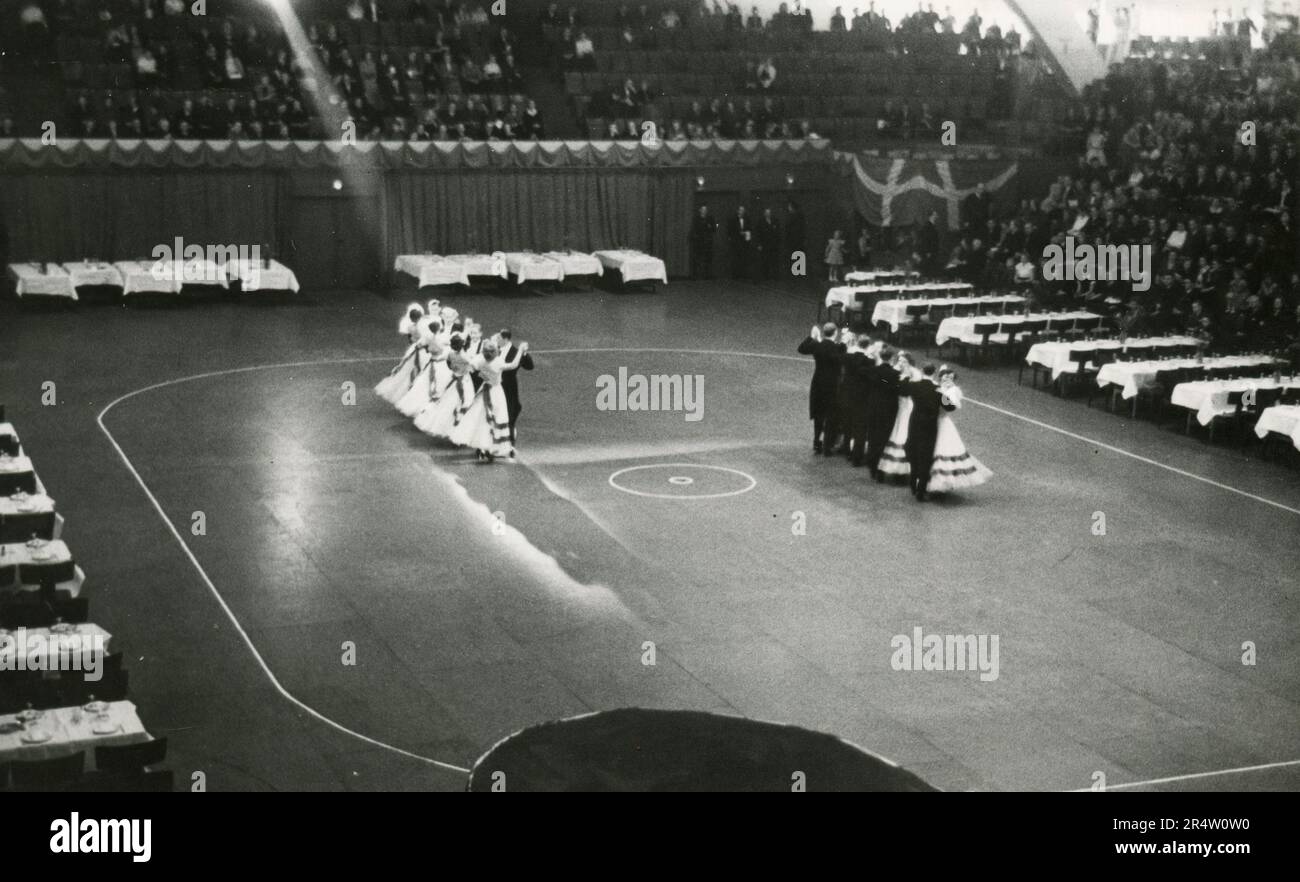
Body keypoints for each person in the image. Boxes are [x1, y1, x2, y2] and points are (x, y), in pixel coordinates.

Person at [449, 339, 529, 460]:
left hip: (484, 391)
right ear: (495, 352)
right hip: (496, 393)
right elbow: (513, 364)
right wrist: (521, 350)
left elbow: (470, 367)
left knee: (482, 419)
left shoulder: (480, 360)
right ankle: (491, 447)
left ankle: (482, 447)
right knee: (497, 417)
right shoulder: (498, 362)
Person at [927, 366, 993, 493]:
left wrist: (941, 393)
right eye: (945, 376)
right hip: (931, 421)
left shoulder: (953, 391)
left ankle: (943, 484)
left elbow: (949, 407)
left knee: (943, 450)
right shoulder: (935, 386)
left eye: (951, 378)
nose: (948, 379)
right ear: (940, 377)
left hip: (943, 423)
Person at [899, 362, 947, 502]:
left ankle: (913, 482)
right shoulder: (937, 390)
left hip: (914, 423)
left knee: (913, 452)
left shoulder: (915, 386)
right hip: (930, 425)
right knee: (926, 456)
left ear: (922, 371)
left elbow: (902, 390)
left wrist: (906, 377)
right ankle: (921, 489)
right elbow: (950, 406)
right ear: (934, 372)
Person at [797, 323, 846, 454]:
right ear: (835, 333)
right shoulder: (837, 348)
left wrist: (811, 337)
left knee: (818, 414)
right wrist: (844, 343)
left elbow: (801, 349)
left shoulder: (817, 346)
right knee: (831, 415)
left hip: (818, 382)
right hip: (832, 385)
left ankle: (816, 441)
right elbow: (842, 359)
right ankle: (827, 445)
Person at [375, 303, 427, 405]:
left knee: (409, 372)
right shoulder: (419, 328)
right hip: (422, 351)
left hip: (415, 349)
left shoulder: (411, 327)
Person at [877, 351, 917, 480]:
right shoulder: (895, 372)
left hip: (907, 407)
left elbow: (909, 391)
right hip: (897, 407)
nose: (901, 363)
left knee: (903, 433)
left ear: (909, 363)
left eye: (904, 361)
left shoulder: (913, 374)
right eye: (899, 361)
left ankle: (904, 469)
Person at [864, 342, 900, 480]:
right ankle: (880, 469)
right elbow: (896, 388)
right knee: (884, 439)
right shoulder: (894, 374)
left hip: (873, 408)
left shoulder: (874, 370)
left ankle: (872, 466)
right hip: (888, 410)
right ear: (891, 358)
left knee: (873, 437)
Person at [838, 334, 874, 464]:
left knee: (847, 423)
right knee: (859, 427)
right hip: (862, 399)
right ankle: (856, 455)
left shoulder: (848, 358)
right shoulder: (869, 362)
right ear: (868, 346)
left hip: (847, 396)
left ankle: (846, 448)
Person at [497, 328, 534, 444]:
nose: (496, 340)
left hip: (509, 388)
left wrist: (524, 353)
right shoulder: (494, 350)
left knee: (510, 414)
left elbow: (529, 366)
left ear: (506, 339)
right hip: (495, 387)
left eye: (498, 338)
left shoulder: (515, 352)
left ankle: (510, 443)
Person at [690, 204, 718, 279]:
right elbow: (694, 229)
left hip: (708, 242)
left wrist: (711, 227)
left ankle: (707, 275)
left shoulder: (710, 218)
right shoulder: (696, 219)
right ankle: (696, 276)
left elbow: (715, 228)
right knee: (697, 259)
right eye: (702, 209)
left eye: (705, 210)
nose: (704, 211)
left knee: (708, 259)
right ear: (700, 210)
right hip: (698, 242)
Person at [727, 205, 754, 281]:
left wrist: (746, 236)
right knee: (736, 259)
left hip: (744, 242)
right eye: (741, 210)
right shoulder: (733, 220)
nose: (742, 212)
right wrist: (738, 233)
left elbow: (749, 230)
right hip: (736, 242)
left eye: (743, 210)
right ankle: (735, 275)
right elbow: (730, 231)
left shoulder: (747, 220)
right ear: (738, 211)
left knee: (744, 259)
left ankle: (743, 275)